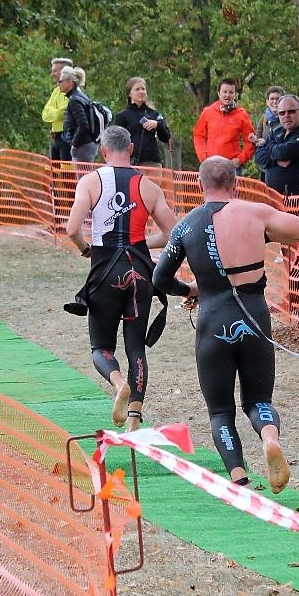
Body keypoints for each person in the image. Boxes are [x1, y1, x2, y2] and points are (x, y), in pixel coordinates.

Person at [153, 156, 299, 492]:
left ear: (200, 185)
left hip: (213, 318)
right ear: (235, 183)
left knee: (220, 411)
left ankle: (239, 477)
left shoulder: (187, 225)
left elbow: (160, 278)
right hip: (254, 316)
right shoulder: (254, 213)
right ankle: (270, 439)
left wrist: (189, 290)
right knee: (259, 400)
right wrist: (264, 233)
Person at [62, 125, 179, 430]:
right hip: (140, 273)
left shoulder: (90, 182)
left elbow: (72, 229)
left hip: (105, 272)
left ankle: (118, 383)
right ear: (131, 149)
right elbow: (173, 234)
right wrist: (140, 245)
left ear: (103, 151)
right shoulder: (148, 186)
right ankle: (135, 417)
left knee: (101, 347)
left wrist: (85, 249)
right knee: (136, 348)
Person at [248, 93, 299, 196]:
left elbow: (283, 153)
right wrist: (275, 161)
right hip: (276, 198)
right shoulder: (276, 131)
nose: (286, 115)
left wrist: (266, 145)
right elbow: (259, 157)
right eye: (282, 113)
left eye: (291, 111)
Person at [192, 78, 256, 167]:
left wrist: (240, 159)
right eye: (225, 92)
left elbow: (251, 140)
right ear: (219, 93)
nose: (227, 95)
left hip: (231, 166)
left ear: (235, 95)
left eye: (231, 92)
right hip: (211, 165)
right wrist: (203, 157)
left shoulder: (241, 114)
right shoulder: (208, 112)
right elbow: (198, 135)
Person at [114, 77, 171, 167]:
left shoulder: (154, 114)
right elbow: (116, 141)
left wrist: (157, 125)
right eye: (137, 89)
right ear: (129, 93)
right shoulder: (122, 115)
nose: (141, 92)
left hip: (152, 162)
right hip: (130, 163)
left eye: (143, 89)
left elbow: (166, 137)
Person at [61, 67, 101, 163]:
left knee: (82, 173)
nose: (59, 84)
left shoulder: (74, 100)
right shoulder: (81, 97)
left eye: (61, 81)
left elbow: (83, 125)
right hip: (89, 143)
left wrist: (74, 144)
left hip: (83, 146)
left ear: (70, 82)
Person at [42, 56, 72, 161]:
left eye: (55, 71)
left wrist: (53, 112)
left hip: (67, 137)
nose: (52, 74)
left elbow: (63, 112)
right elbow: (45, 114)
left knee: (66, 170)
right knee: (55, 169)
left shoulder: (71, 92)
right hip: (55, 137)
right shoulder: (56, 91)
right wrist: (55, 112)